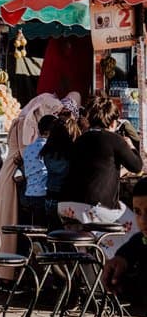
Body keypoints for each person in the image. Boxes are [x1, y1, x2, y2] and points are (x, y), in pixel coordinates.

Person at [0, 93, 65, 278]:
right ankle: (29, 266)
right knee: (32, 226)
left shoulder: (29, 135)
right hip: (23, 184)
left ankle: (21, 266)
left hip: (24, 188)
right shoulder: (29, 128)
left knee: (25, 225)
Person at [60, 97, 142, 237]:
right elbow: (137, 166)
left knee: (89, 240)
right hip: (94, 209)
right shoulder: (115, 139)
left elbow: (96, 172)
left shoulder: (80, 140)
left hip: (67, 207)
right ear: (113, 122)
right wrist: (131, 146)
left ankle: (86, 249)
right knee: (136, 227)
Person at [102, 178, 147, 317]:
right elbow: (139, 242)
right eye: (137, 212)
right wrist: (122, 258)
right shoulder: (141, 241)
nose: (143, 220)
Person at [40, 112, 81, 228]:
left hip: (50, 197)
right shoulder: (73, 153)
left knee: (53, 232)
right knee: (69, 235)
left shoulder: (47, 151)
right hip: (67, 199)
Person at [20, 114, 57, 226]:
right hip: (43, 194)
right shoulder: (49, 148)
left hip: (29, 193)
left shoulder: (28, 148)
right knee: (44, 227)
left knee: (35, 226)